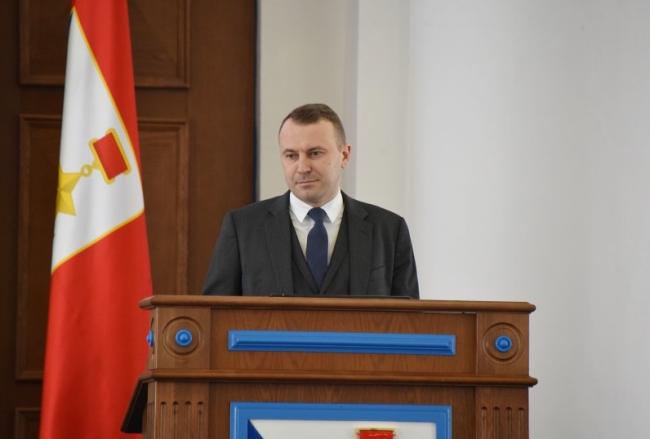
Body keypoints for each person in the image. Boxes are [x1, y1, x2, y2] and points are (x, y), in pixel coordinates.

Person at [203, 103, 419, 298]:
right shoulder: (242, 228)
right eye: (291, 155)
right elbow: (216, 315)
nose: (302, 167)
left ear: (344, 155)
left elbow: (410, 321)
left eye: (315, 153)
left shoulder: (390, 230)